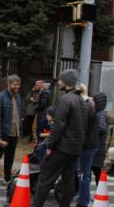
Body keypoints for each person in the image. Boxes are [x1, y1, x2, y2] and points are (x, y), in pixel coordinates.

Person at [34, 69, 87, 207]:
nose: (58, 82)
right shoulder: (81, 100)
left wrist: (49, 145)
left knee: (45, 176)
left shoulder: (66, 99)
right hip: (75, 148)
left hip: (62, 147)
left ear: (67, 82)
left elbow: (58, 126)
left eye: (61, 80)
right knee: (68, 180)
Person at [0, 75, 22, 184]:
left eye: (18, 84)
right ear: (8, 84)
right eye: (14, 84)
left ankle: (7, 178)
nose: (17, 86)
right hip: (4, 132)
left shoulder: (18, 96)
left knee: (10, 157)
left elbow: (19, 113)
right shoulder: (1, 97)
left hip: (15, 132)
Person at [76, 83, 97, 207]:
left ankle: (83, 201)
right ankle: (84, 198)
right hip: (87, 144)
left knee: (83, 173)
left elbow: (82, 126)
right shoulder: (87, 104)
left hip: (86, 145)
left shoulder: (86, 105)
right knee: (83, 173)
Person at [92, 93, 108, 186]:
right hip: (97, 149)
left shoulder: (100, 114)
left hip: (97, 150)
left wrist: (91, 132)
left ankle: (100, 193)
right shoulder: (98, 113)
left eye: (94, 100)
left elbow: (102, 128)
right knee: (95, 173)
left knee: (97, 173)